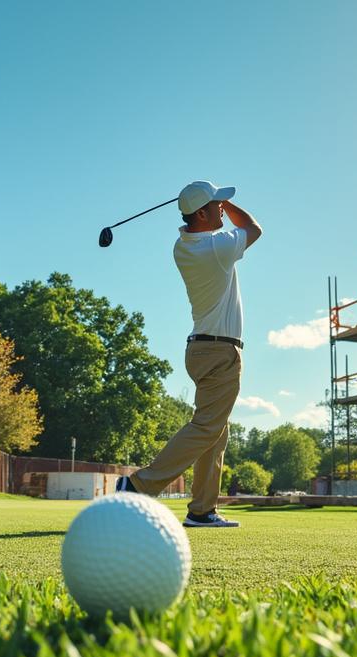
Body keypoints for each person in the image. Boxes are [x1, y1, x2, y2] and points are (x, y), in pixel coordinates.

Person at [117, 181, 262, 527]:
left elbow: (226, 226)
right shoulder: (216, 247)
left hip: (201, 348)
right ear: (201, 212)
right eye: (217, 204)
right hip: (219, 351)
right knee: (206, 426)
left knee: (216, 430)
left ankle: (202, 509)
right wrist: (231, 207)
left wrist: (216, 202)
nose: (223, 209)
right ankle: (137, 484)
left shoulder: (183, 245)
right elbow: (254, 229)